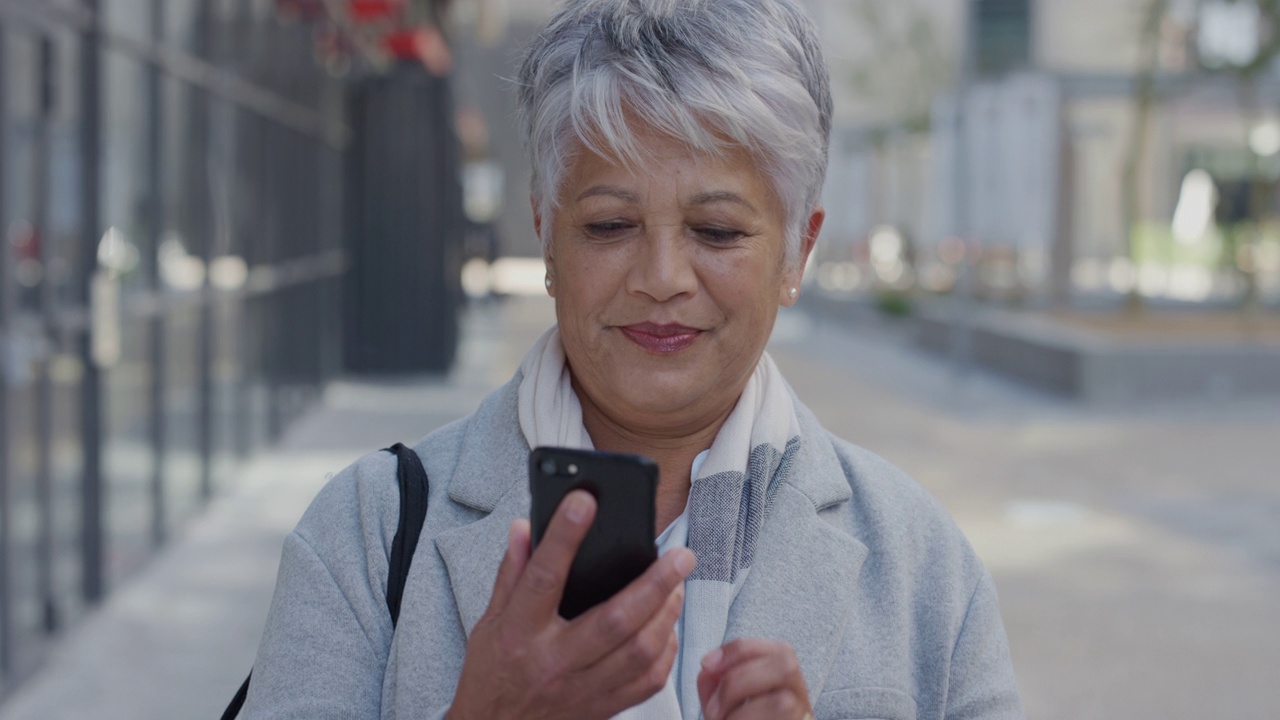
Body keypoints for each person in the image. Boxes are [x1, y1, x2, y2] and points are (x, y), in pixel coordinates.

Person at [239, 0, 1024, 718]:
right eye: (610, 225)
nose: (661, 278)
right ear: (545, 233)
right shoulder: (366, 533)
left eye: (716, 232)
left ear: (798, 251)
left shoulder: (923, 567)